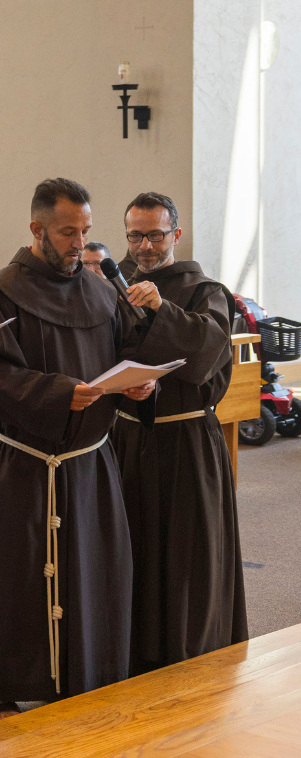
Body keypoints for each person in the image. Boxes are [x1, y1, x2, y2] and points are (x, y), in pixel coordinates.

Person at [0, 178, 158, 721]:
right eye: (68, 231)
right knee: (18, 576)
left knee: (91, 571)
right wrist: (58, 394)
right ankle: (3, 687)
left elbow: (124, 352)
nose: (79, 242)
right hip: (25, 460)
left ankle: (88, 672)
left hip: (89, 460)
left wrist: (139, 384)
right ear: (36, 229)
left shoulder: (98, 291)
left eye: (86, 231)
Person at [111, 191, 247, 675]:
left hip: (187, 440)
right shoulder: (114, 284)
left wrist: (162, 310)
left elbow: (208, 352)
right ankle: (133, 652)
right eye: (135, 235)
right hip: (127, 438)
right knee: (131, 547)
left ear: (176, 234)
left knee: (187, 552)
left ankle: (191, 651)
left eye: (155, 235)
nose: (144, 246)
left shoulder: (204, 289)